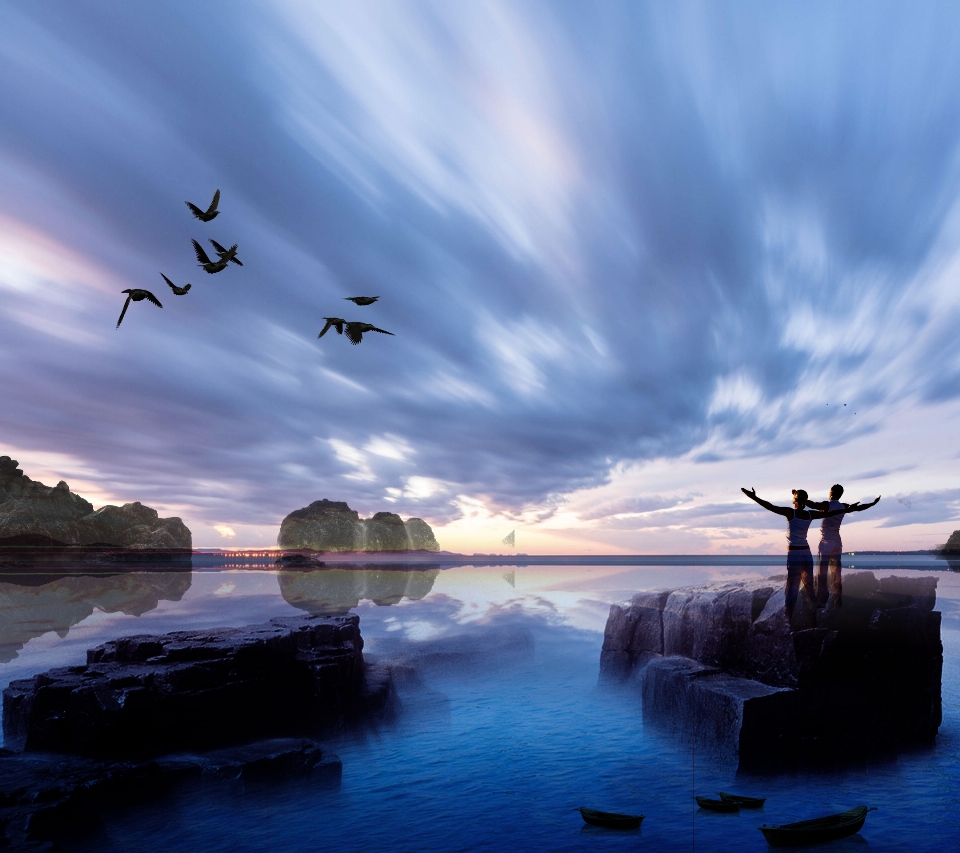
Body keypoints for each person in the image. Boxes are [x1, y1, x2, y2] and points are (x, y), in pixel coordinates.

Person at [741, 487, 855, 622]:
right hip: (806, 553)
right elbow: (830, 514)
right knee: (809, 587)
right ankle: (812, 619)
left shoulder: (790, 513)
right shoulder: (810, 514)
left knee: (792, 586)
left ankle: (788, 618)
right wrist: (846, 510)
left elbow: (769, 506)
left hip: (794, 553)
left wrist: (753, 497)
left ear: (794, 500)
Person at [806, 485, 881, 606]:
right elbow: (859, 508)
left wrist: (799, 497)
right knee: (836, 572)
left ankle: (821, 599)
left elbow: (813, 505)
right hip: (837, 542)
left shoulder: (827, 505)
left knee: (822, 572)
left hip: (826, 542)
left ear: (831, 493)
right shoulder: (843, 506)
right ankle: (837, 597)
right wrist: (872, 503)